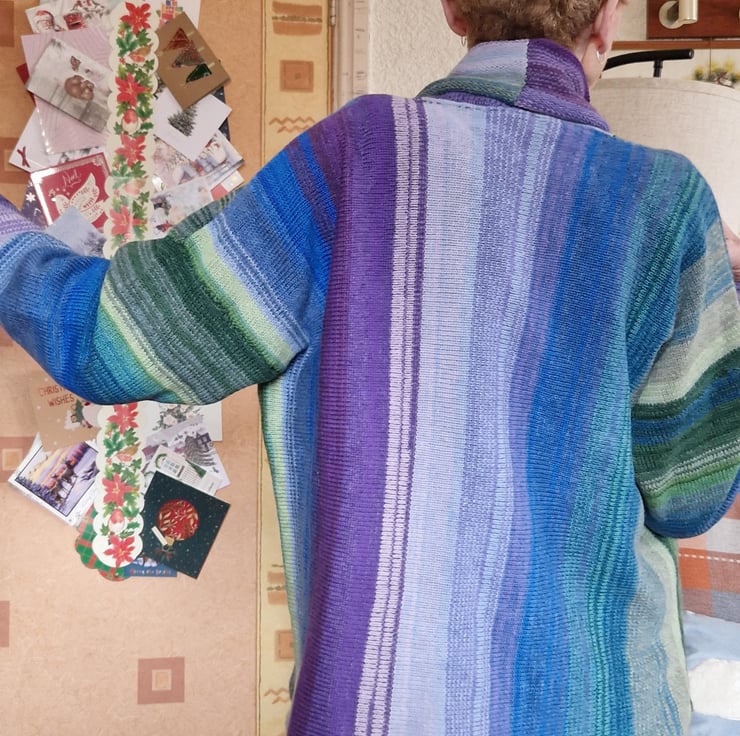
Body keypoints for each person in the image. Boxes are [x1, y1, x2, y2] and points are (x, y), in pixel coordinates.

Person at [1, 0, 739, 733]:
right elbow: (691, 498)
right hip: (602, 708)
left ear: (453, 11)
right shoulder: (670, 204)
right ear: (608, 19)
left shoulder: (356, 157)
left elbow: (107, 341)